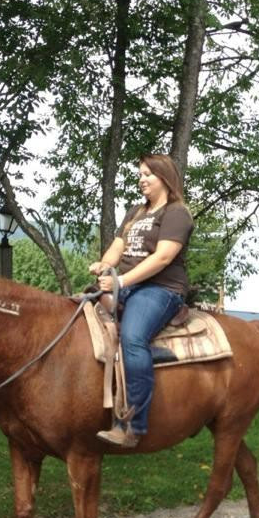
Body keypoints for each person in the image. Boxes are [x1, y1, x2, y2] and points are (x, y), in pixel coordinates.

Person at [89, 154, 193, 448]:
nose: (142, 179)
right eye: (140, 174)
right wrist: (104, 265)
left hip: (160, 289)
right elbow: (118, 246)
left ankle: (133, 425)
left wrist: (120, 281)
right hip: (127, 285)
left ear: (165, 178)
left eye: (148, 174)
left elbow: (163, 258)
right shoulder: (136, 211)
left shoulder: (176, 213)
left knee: (133, 338)